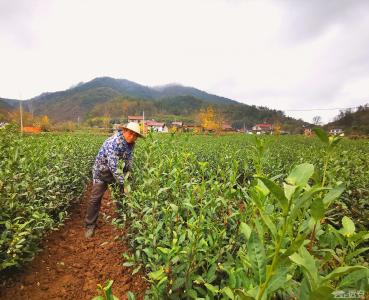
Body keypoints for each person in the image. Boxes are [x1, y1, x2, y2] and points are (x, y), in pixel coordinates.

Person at [85, 122, 144, 238]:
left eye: (135, 135)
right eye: (131, 134)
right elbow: (114, 166)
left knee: (121, 197)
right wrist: (124, 183)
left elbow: (129, 161)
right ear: (124, 131)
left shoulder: (131, 144)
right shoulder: (114, 142)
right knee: (95, 199)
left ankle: (122, 221)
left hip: (117, 174)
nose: (132, 137)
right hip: (101, 172)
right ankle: (90, 226)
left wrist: (129, 176)